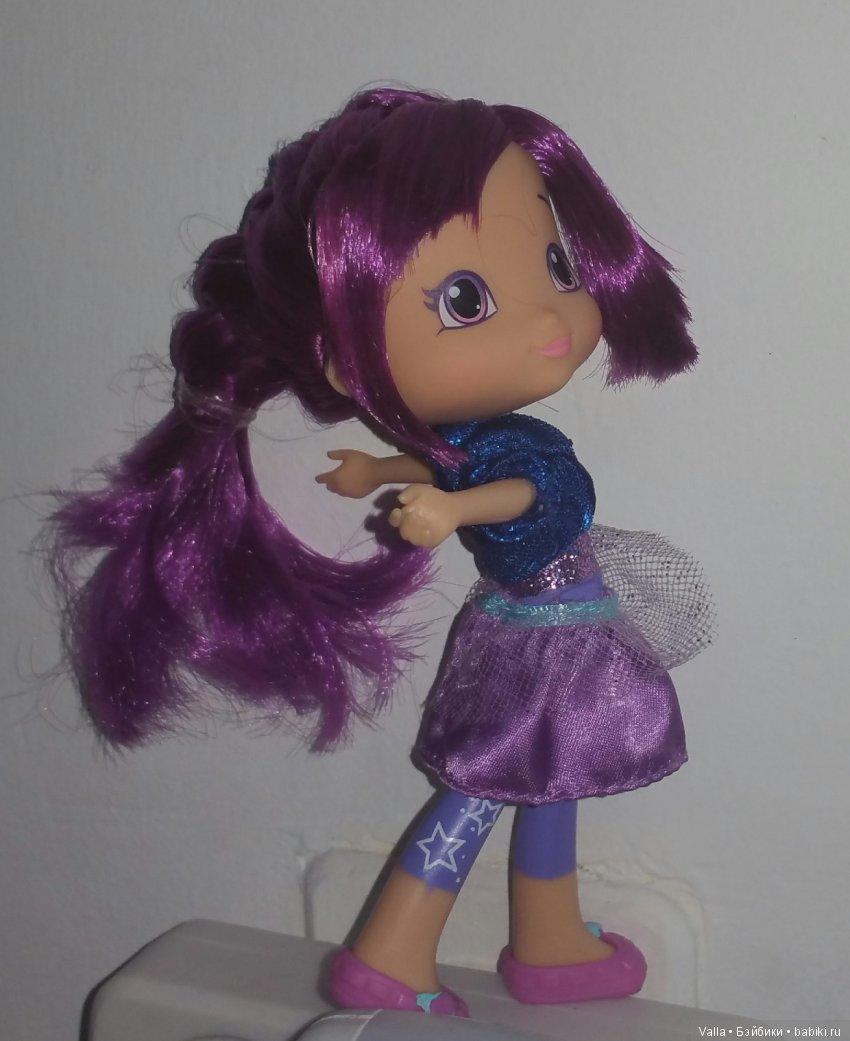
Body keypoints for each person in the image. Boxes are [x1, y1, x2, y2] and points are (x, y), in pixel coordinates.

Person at [47, 88, 707, 1017]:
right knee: (480, 794)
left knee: (548, 786)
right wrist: (452, 505)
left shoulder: (483, 435)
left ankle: (551, 942)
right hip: (552, 640)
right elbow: (531, 494)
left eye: (556, 263)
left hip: (543, 628)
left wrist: (386, 470)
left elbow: (471, 469)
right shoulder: (514, 456)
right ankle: (393, 950)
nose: (549, 317)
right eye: (467, 300)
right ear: (347, 365)